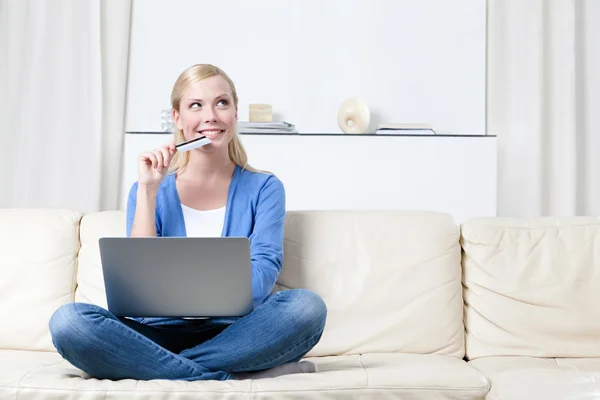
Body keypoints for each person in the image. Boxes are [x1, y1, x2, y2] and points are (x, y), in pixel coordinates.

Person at [48, 64, 327, 381]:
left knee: (307, 308)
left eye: (222, 103)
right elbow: (139, 285)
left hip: (236, 332)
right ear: (178, 118)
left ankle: (164, 367)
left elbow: (263, 274)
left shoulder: (265, 188)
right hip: (155, 333)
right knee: (69, 323)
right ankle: (230, 374)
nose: (211, 115)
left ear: (234, 114)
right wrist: (149, 191)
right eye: (196, 105)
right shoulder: (148, 190)